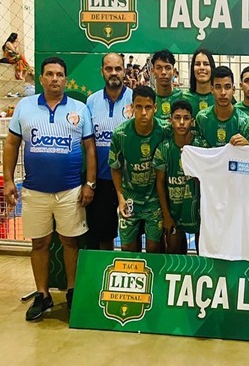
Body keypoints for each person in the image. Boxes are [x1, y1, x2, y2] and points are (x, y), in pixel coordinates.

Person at [3, 56, 96, 320]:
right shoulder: (25, 107)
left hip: (70, 191)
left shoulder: (80, 109)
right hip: (34, 191)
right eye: (49, 74)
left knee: (70, 241)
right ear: (41, 78)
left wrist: (89, 183)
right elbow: (11, 144)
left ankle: (72, 291)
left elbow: (90, 148)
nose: (55, 79)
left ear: (66, 79)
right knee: (40, 243)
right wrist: (8, 179)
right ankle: (42, 295)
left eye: (59, 75)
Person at [109, 85, 168, 253]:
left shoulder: (164, 130)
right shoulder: (121, 134)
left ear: (155, 108)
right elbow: (115, 167)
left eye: (148, 107)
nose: (143, 112)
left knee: (154, 247)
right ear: (132, 107)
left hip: (154, 200)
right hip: (130, 199)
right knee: (127, 247)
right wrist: (120, 198)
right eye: (139, 107)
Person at [85, 53, 133, 250]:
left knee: (132, 238)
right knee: (104, 236)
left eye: (118, 69)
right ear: (102, 71)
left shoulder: (135, 99)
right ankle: (107, 276)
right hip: (103, 180)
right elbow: (88, 145)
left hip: (131, 181)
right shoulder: (91, 101)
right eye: (109, 69)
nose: (114, 73)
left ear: (124, 71)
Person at [154, 100, 208, 254]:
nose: (182, 122)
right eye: (177, 118)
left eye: (186, 118)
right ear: (170, 120)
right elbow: (160, 183)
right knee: (174, 250)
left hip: (199, 212)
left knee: (203, 253)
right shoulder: (163, 148)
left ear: (192, 121)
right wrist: (166, 215)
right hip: (174, 212)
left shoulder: (202, 146)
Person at [195, 66, 249, 147]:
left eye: (227, 87)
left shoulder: (245, 122)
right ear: (212, 89)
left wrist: (247, 147)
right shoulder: (201, 118)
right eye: (218, 87)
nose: (223, 93)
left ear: (233, 90)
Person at [182, 48, 216, 117]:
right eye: (197, 64)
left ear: (212, 68)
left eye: (206, 64)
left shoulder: (220, 97)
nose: (202, 67)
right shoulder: (183, 97)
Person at [152, 49, 184, 120]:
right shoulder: (149, 99)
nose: (163, 72)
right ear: (153, 71)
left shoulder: (183, 97)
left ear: (174, 71)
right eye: (159, 68)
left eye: (168, 68)